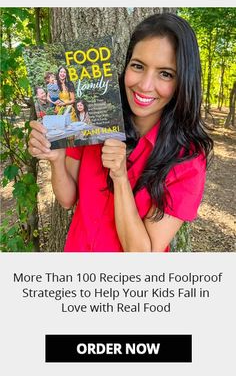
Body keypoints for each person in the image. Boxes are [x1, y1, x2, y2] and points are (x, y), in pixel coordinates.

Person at [28, 13, 213, 252]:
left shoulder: (188, 159)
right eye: (138, 66)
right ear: (126, 65)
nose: (145, 85)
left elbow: (141, 254)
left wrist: (120, 176)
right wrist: (57, 159)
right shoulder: (96, 117)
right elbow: (66, 200)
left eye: (165, 74)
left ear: (182, 83)